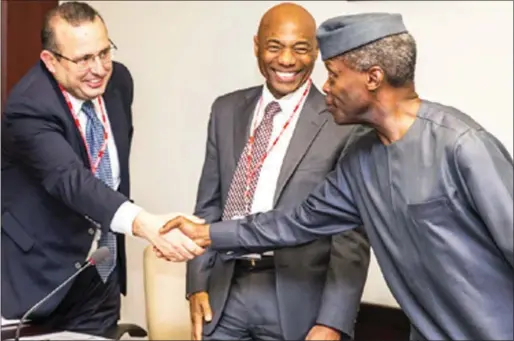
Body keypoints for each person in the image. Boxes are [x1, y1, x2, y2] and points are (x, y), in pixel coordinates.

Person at [161, 12, 514, 341]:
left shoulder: (462, 146)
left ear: (373, 78)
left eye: (333, 75)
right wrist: (206, 233)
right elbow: (294, 222)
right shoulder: (359, 157)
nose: (325, 87)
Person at [1, 1, 202, 336]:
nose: (99, 68)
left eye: (104, 52)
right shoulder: (28, 106)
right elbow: (69, 180)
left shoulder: (119, 82)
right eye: (83, 59)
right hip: (38, 276)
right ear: (51, 61)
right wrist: (144, 223)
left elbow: (112, 164)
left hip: (100, 272)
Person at [179, 3, 370, 340]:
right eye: (274, 46)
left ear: (316, 52)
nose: (286, 60)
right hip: (224, 292)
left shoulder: (344, 125)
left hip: (299, 303)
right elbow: (207, 206)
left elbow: (350, 235)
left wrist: (333, 321)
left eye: (300, 48)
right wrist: (197, 285)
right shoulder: (225, 110)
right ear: (257, 46)